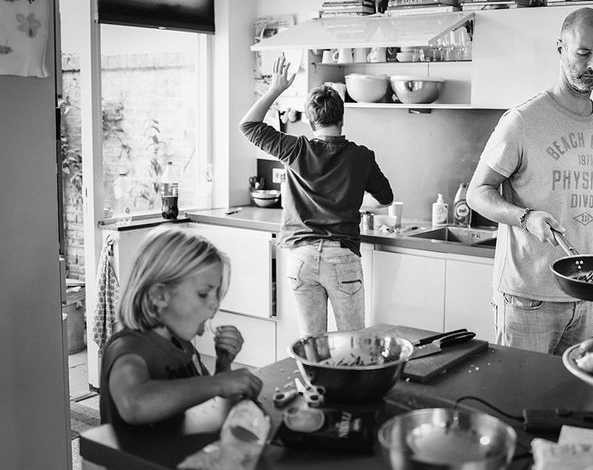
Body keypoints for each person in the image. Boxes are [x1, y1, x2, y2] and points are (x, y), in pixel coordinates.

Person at [466, 7, 593, 355]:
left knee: (570, 403)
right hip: (528, 298)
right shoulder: (523, 120)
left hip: (584, 295)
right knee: (519, 402)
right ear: (561, 49)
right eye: (583, 53)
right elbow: (477, 193)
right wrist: (526, 218)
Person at [239, 54, 393, 336]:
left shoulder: (296, 149)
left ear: (311, 122)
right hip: (342, 259)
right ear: (342, 118)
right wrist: (355, 204)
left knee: (312, 345)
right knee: (353, 341)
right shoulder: (360, 156)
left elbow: (248, 126)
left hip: (301, 258)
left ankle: (314, 382)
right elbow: (385, 198)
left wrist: (275, 89)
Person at [99, 227, 263, 426]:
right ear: (159, 296)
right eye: (204, 294)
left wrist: (223, 364)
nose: (215, 304)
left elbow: (207, 401)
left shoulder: (183, 345)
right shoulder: (128, 347)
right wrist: (219, 383)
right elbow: (134, 404)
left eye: (216, 294)